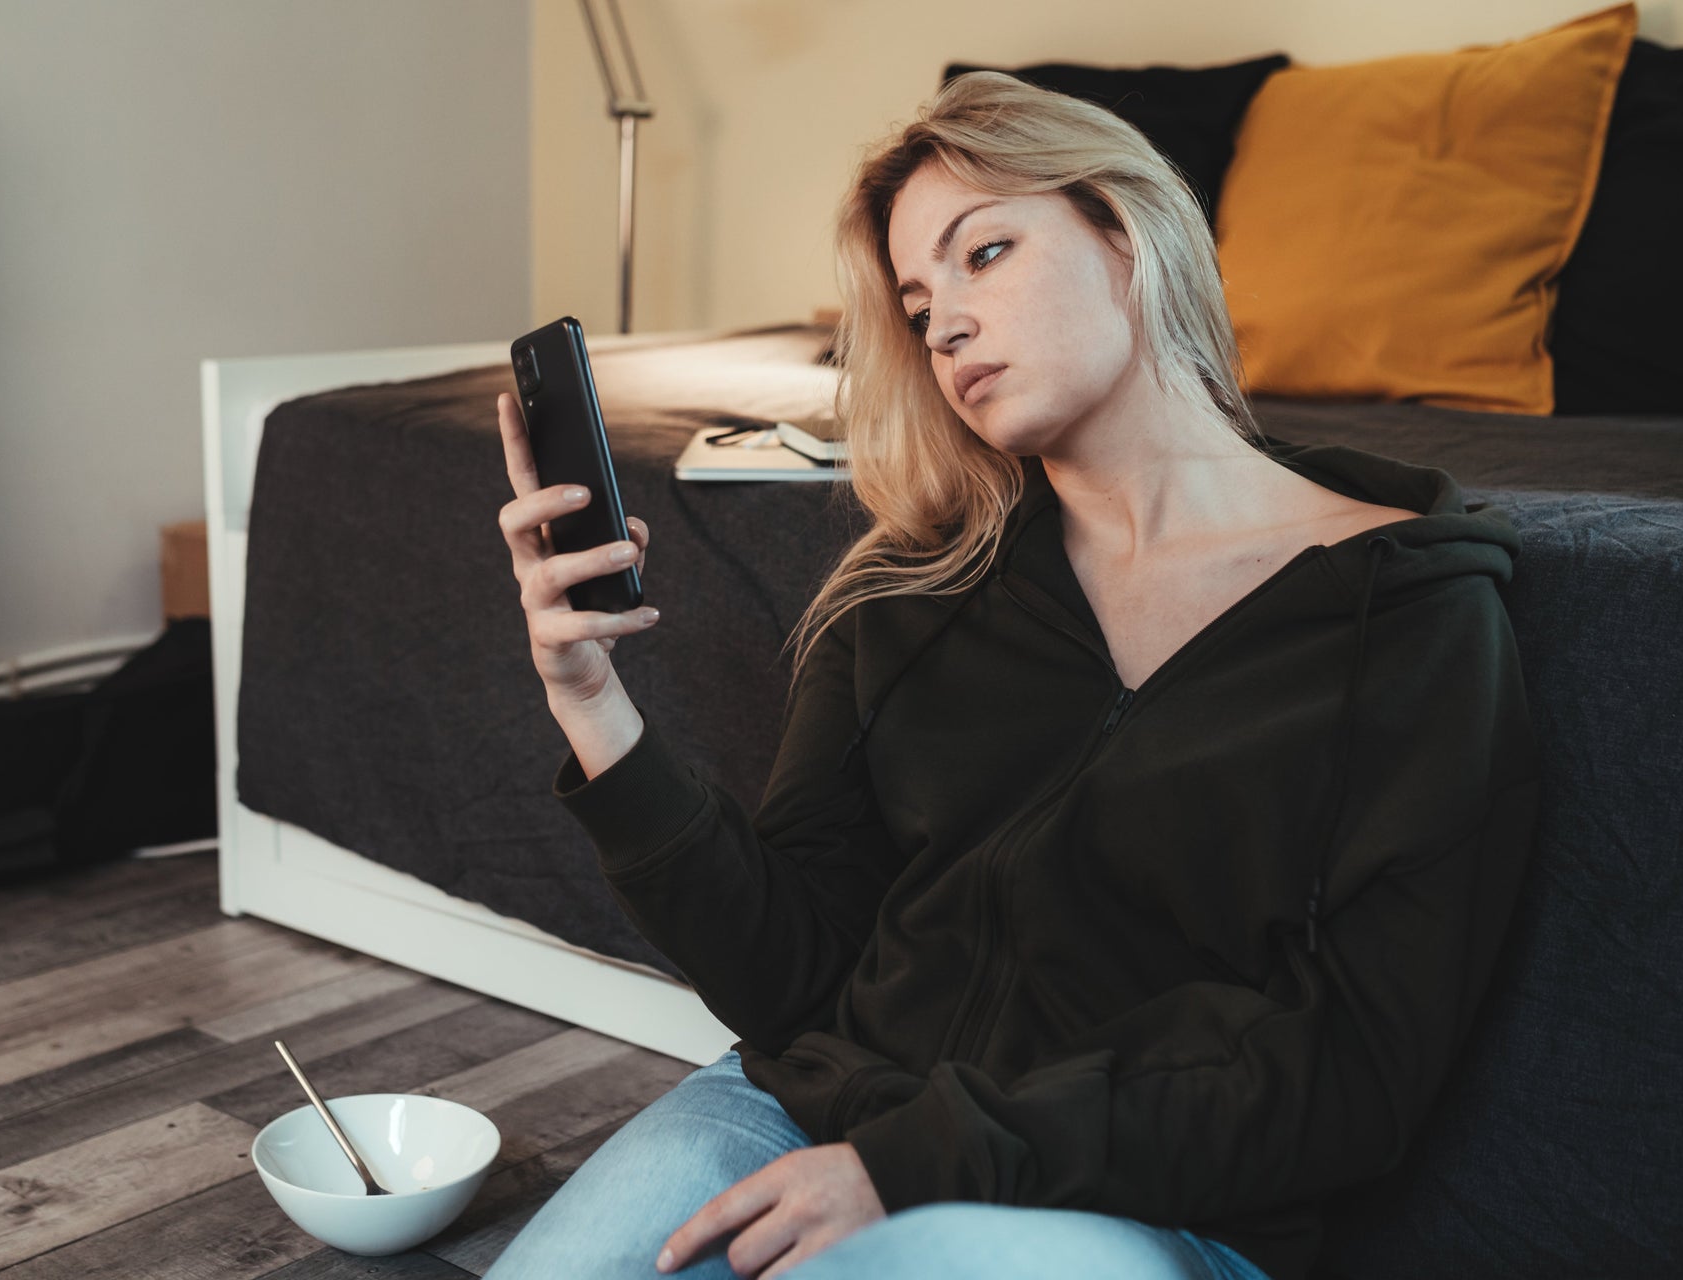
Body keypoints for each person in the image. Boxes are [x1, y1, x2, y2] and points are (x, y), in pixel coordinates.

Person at [482, 71, 1539, 1280]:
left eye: (984, 252)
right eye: (920, 302)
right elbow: (793, 974)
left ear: (1127, 239)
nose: (943, 327)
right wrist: (594, 707)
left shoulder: (1412, 613)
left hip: (1140, 1199)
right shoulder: (909, 589)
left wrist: (926, 1161)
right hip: (796, 1111)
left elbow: (1354, 1062)